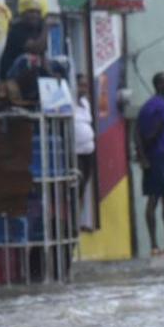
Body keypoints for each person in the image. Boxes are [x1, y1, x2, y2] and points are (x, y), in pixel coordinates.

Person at [135, 72, 164, 255]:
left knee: (152, 200)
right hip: (163, 157)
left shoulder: (145, 107)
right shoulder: (163, 107)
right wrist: (147, 150)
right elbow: (157, 130)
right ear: (160, 85)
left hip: (150, 158)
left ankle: (153, 245)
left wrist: (142, 156)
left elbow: (136, 133)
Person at [74, 73, 97, 230]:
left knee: (83, 188)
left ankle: (80, 220)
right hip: (75, 152)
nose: (84, 88)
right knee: (76, 186)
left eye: (85, 85)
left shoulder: (85, 103)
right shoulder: (69, 101)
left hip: (88, 151)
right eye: (81, 85)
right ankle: (73, 222)